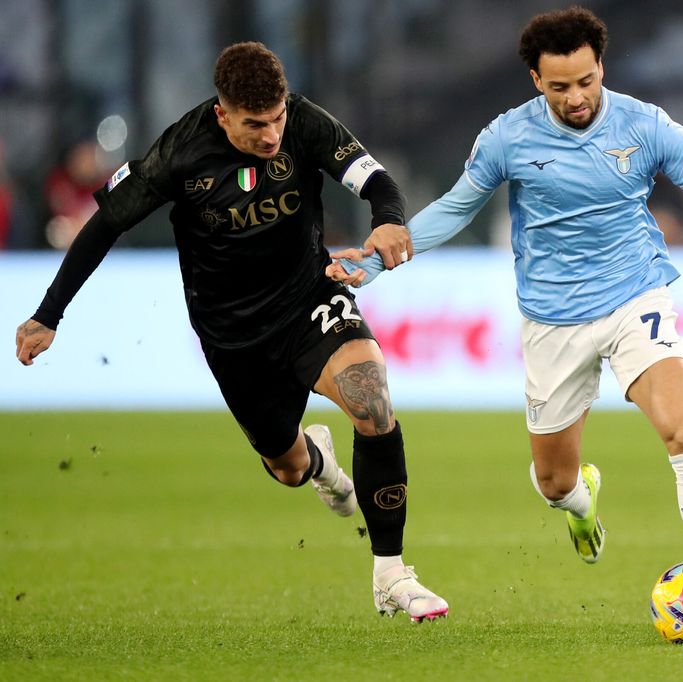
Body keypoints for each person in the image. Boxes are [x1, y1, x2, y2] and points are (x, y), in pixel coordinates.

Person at [328, 6, 683, 637]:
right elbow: (455, 210)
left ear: (602, 66)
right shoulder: (507, 138)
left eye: (586, 81)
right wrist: (380, 266)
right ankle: (579, 501)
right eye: (559, 86)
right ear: (535, 81)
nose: (576, 97)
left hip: (636, 298)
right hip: (551, 321)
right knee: (552, 480)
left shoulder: (645, 125)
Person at [14, 42, 448, 623]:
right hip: (233, 335)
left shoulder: (305, 121)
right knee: (288, 468)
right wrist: (49, 313)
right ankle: (318, 463)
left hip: (307, 299)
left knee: (372, 398)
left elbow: (374, 181)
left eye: (277, 120)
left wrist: (390, 218)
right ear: (223, 114)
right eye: (254, 125)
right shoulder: (181, 151)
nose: (272, 136)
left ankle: (392, 574)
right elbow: (105, 227)